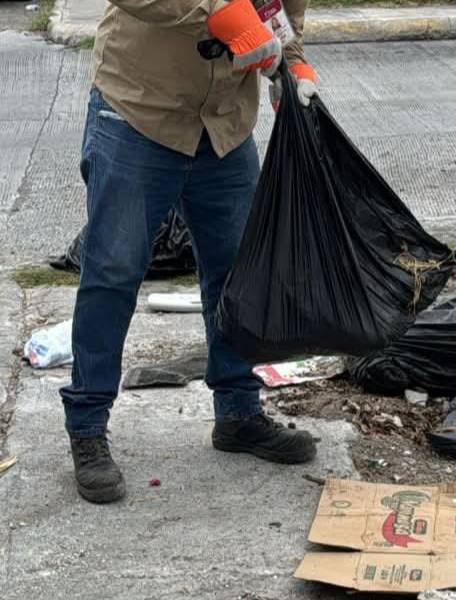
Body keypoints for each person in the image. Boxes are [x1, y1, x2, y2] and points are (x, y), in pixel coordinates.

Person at [60, 0, 319, 504]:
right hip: (139, 112)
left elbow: (282, 11)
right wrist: (219, 10)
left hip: (223, 123)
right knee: (113, 273)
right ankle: (87, 426)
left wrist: (293, 65)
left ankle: (238, 413)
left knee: (238, 271)